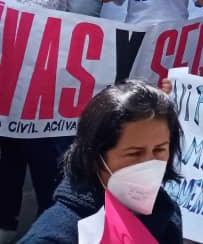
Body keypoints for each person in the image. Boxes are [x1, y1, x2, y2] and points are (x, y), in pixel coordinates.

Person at [19, 81, 183, 244]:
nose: (149, 163)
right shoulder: (52, 237)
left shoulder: (167, 214)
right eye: (134, 153)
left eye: (159, 150)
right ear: (96, 157)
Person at [0, 0, 72, 242]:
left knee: (43, 156)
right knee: (10, 155)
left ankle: (49, 225)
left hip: (43, 76)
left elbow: (38, 12)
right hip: (11, 74)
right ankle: (7, 222)